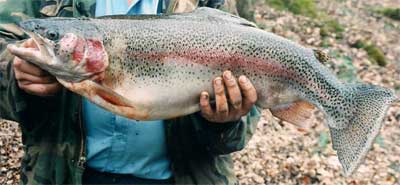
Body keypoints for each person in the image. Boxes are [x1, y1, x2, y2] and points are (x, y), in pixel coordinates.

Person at [0, 0, 261, 184]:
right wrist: (16, 73)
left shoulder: (213, 3)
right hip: (60, 175)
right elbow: (6, 45)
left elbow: (237, 135)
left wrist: (225, 120)